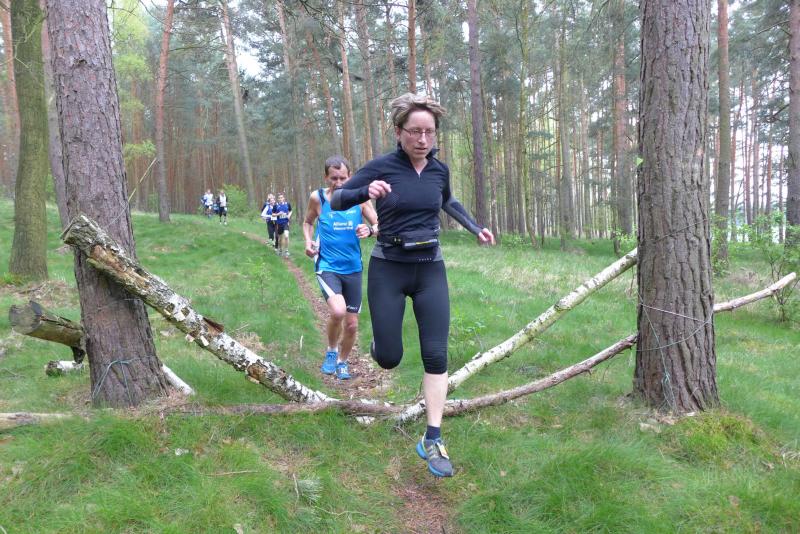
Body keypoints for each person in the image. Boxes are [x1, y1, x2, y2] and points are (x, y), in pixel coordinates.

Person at [331, 93, 495, 478]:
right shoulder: (381, 167)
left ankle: (433, 437)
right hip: (389, 268)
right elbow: (338, 199)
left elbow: (448, 201)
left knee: (436, 355)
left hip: (430, 269)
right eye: (415, 131)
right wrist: (365, 192)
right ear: (398, 132)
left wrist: (475, 228)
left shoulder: (439, 170)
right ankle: (379, 345)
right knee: (389, 357)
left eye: (429, 132)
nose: (423, 139)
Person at [302, 156, 378, 380]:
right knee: (338, 311)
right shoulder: (318, 198)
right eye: (334, 178)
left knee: (352, 325)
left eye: (343, 178)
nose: (338, 183)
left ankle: (342, 362)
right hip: (327, 265)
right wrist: (308, 241)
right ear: (326, 177)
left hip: (353, 268)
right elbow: (307, 222)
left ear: (350, 177)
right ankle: (331, 351)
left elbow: (378, 224)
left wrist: (370, 230)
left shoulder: (360, 199)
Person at [274, 193, 292, 257]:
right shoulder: (276, 206)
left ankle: (286, 251)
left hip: (285, 223)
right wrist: (278, 214)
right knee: (280, 239)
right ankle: (280, 250)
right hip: (279, 224)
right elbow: (273, 214)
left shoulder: (287, 204)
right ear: (278, 199)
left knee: (286, 236)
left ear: (284, 198)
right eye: (279, 198)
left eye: (281, 197)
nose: (280, 199)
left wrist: (289, 215)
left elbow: (290, 211)